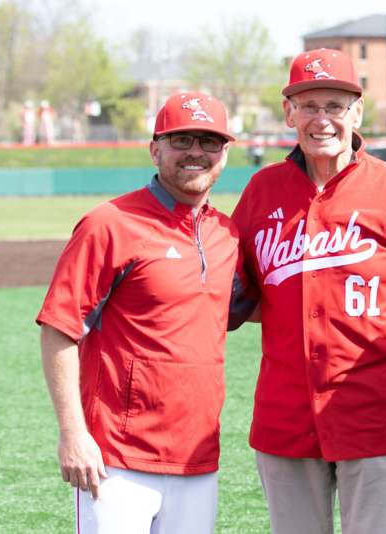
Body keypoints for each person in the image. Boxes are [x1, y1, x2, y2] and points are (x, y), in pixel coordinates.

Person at [231, 48, 386, 534]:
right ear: (288, 111)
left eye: (334, 106)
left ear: (357, 111)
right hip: (285, 419)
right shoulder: (261, 192)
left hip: (377, 416)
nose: (322, 120)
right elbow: (239, 294)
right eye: (308, 106)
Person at [37, 92, 243, 533]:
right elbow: (59, 329)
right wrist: (73, 433)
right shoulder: (109, 223)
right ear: (155, 149)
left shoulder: (226, 234)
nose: (195, 152)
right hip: (115, 458)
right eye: (181, 139)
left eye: (209, 142)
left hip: (197, 458)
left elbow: (254, 306)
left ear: (226, 153)